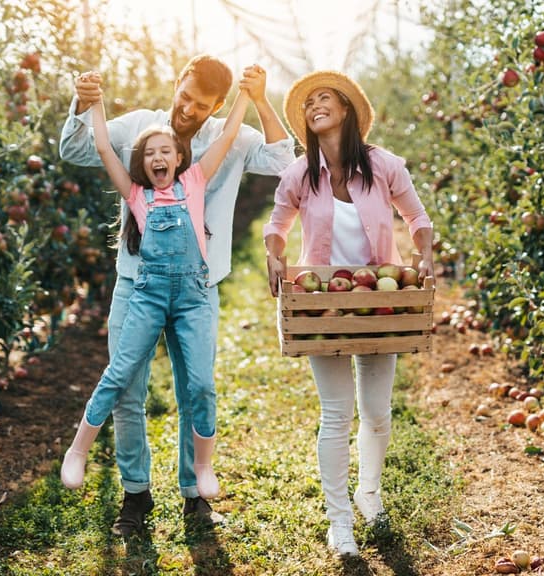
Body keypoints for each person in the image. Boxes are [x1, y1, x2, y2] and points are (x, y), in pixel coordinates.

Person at [59, 55, 294, 535]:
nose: (187, 109)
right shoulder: (142, 129)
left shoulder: (229, 138)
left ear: (218, 106)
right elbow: (79, 148)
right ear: (177, 83)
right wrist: (82, 104)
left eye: (200, 105)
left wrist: (261, 100)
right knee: (126, 388)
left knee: (197, 388)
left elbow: (283, 161)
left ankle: (193, 495)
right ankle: (135, 495)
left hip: (197, 288)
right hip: (137, 282)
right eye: (184, 96)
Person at [262, 71, 434, 556]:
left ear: (346, 110)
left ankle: (369, 494)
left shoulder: (383, 165)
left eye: (325, 97)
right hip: (324, 305)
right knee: (336, 415)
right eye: (309, 101)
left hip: (382, 303)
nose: (316, 105)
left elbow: (417, 217)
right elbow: (277, 224)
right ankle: (340, 523)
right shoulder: (300, 172)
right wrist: (274, 254)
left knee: (377, 415)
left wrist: (423, 253)